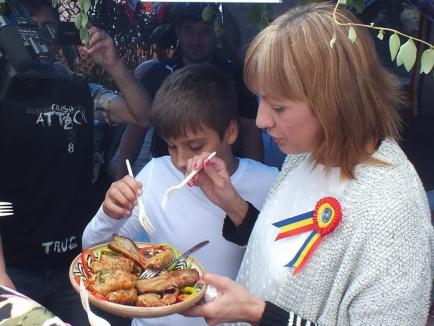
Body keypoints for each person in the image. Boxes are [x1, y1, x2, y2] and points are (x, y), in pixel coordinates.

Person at [183, 3, 434, 325]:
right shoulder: (306, 154)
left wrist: (258, 314)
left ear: (334, 100)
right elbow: (290, 250)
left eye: (279, 107)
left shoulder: (393, 211)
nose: (260, 120)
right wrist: (232, 203)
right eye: (260, 100)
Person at [82, 63, 278, 326]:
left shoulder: (268, 182)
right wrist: (110, 214)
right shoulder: (156, 174)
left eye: (195, 146)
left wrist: (234, 204)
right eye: (172, 146)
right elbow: (93, 250)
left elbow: (282, 268)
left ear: (230, 132)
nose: (182, 160)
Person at [0, 0, 151, 324]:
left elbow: (142, 113)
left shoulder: (81, 92)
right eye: (28, 29)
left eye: (46, 30)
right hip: (16, 266)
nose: (37, 39)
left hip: (74, 264)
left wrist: (114, 65)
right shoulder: (3, 97)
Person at [114, 2, 263, 180]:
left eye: (205, 31)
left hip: (222, 174)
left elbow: (251, 132)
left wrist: (253, 179)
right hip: (168, 174)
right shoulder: (158, 74)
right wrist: (121, 177)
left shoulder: (235, 76)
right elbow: (136, 130)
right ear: (178, 32)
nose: (196, 40)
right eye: (189, 31)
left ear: (216, 33)